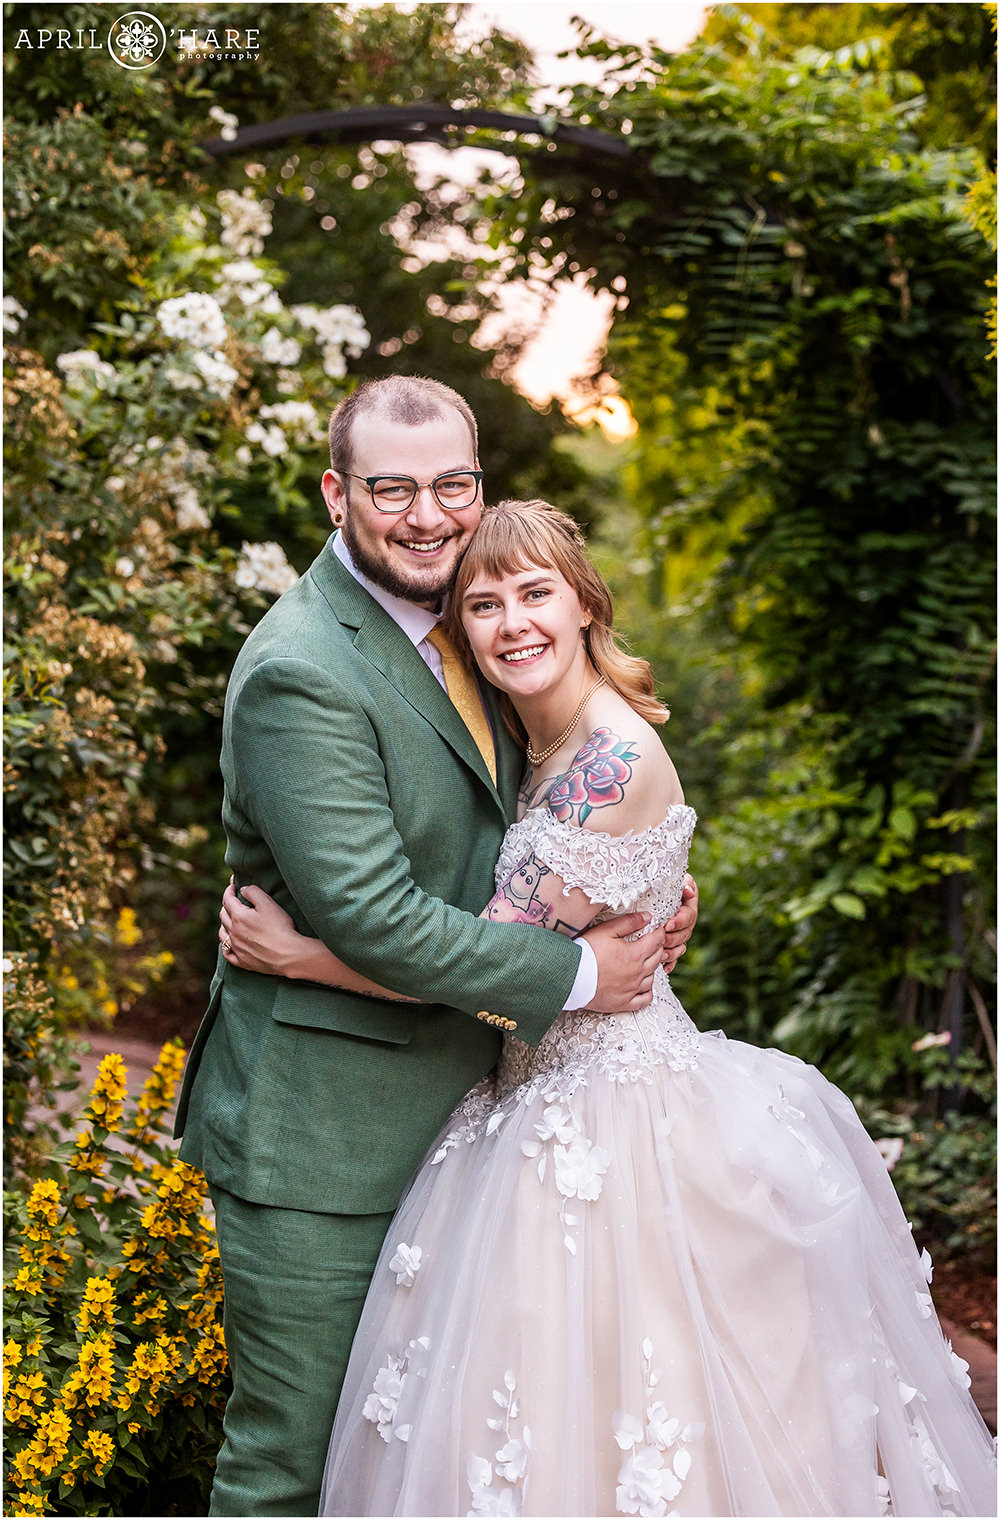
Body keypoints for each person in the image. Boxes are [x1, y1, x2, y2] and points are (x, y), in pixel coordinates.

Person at [221, 499, 997, 1519]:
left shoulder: (607, 761)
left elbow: (486, 961)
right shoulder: (526, 735)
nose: (512, 623)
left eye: (535, 593)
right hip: (527, 1093)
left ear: (584, 602)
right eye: (483, 604)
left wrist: (305, 958)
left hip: (611, 1119)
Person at [174, 377, 698, 1517]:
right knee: (293, 1468)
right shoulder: (302, 668)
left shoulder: (468, 625)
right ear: (336, 493)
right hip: (329, 1143)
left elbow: (537, 823)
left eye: (451, 484)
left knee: (437, 1464)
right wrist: (582, 972)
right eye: (391, 489)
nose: (427, 515)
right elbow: (375, 917)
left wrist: (649, 881)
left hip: (483, 1122)